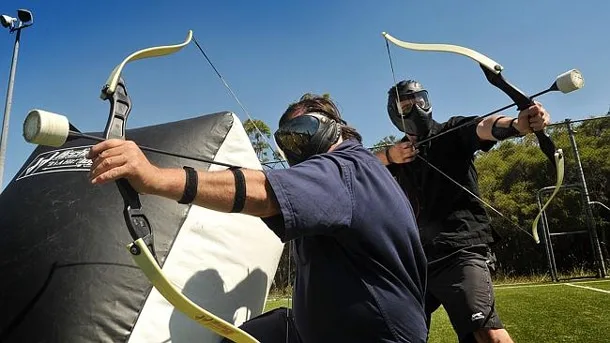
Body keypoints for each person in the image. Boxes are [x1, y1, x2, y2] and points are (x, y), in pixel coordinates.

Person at [87, 94, 429, 343]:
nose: (294, 145)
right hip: (311, 330)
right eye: (286, 140)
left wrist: (155, 178)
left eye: (301, 130)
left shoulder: (347, 166)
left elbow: (264, 190)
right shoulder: (348, 177)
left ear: (333, 128)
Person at [375, 80, 551, 343]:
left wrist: (517, 125)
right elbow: (361, 167)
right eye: (406, 105)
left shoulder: (452, 130)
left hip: (461, 249)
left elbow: (483, 127)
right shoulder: (396, 155)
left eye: (420, 100)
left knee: (485, 332)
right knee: (388, 331)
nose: (416, 109)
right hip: (417, 260)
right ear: (394, 113)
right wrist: (390, 156)